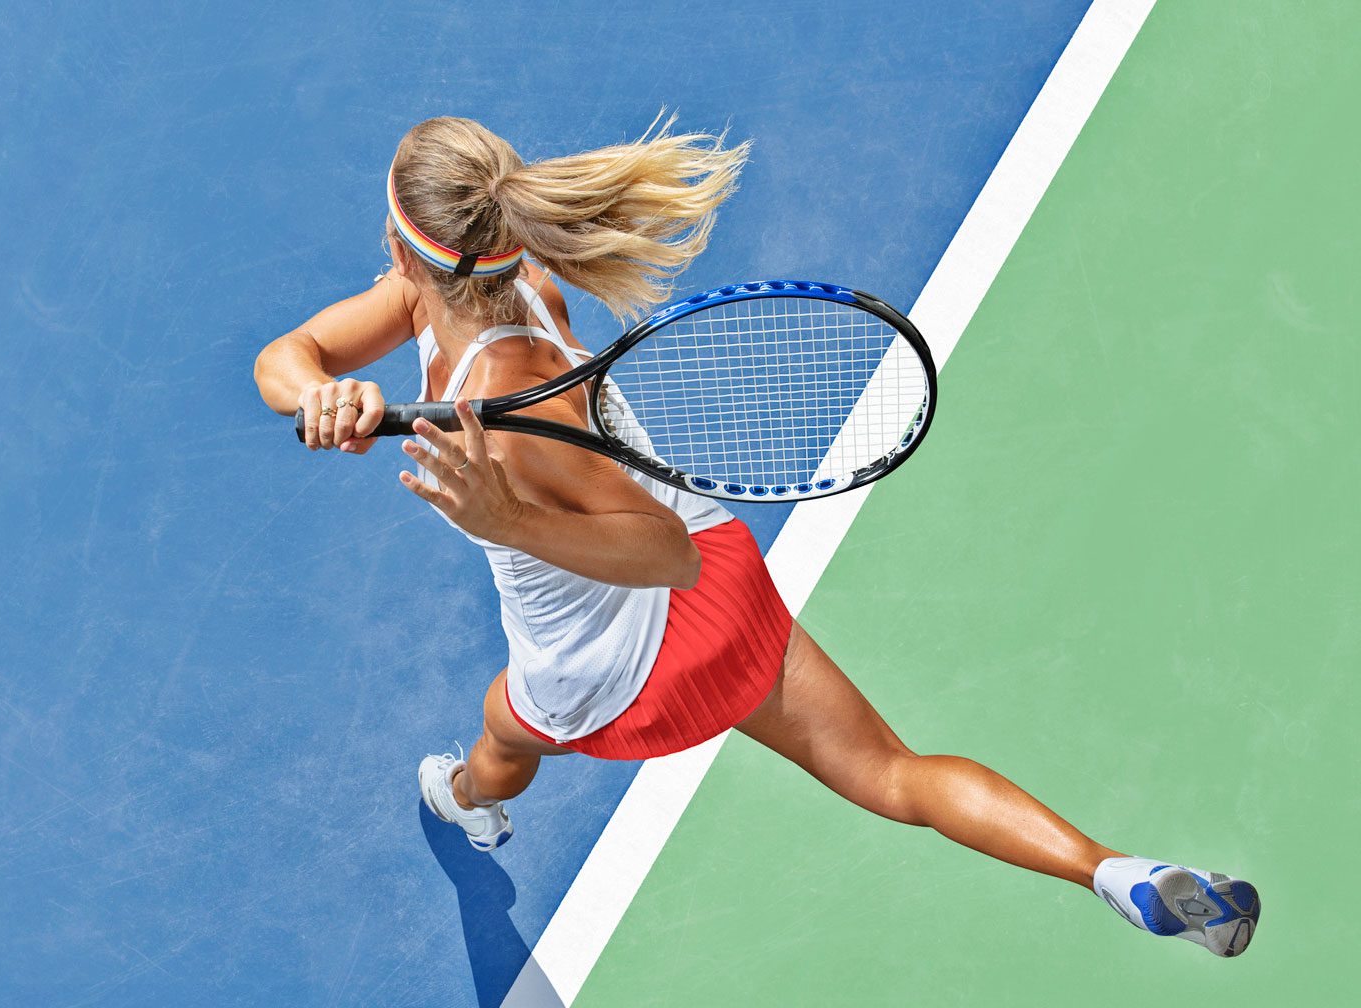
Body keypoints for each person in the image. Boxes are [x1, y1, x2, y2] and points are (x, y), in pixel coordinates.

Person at [253, 116, 1260, 958]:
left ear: (398, 247)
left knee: (505, 726)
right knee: (891, 773)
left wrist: (500, 519)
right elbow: (283, 357)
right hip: (723, 596)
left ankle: (470, 797)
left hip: (617, 662)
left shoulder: (505, 398)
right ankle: (1112, 870)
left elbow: (659, 552)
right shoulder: (509, 282)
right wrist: (323, 393)